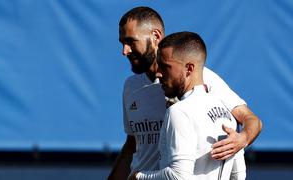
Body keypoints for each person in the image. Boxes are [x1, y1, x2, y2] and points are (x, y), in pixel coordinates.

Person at [108, 6, 262, 180]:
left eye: (131, 41)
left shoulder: (202, 79)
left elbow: (251, 119)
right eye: (122, 43)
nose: (124, 51)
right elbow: (132, 145)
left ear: (156, 36)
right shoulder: (131, 86)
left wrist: (242, 139)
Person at [131, 31, 247, 180]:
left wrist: (139, 177)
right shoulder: (227, 110)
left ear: (189, 69)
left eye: (165, 67)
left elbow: (179, 177)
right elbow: (238, 175)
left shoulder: (179, 112)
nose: (158, 74)